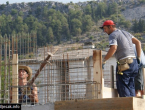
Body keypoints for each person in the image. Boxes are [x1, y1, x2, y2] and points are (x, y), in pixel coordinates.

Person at [100, 20, 141, 97]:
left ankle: (126, 107)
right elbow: (138, 42)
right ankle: (132, 107)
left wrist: (104, 60)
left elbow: (113, 48)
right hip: (134, 63)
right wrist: (138, 58)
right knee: (130, 86)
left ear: (110, 27)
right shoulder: (126, 33)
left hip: (124, 64)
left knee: (122, 87)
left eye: (105, 28)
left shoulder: (113, 35)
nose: (104, 31)